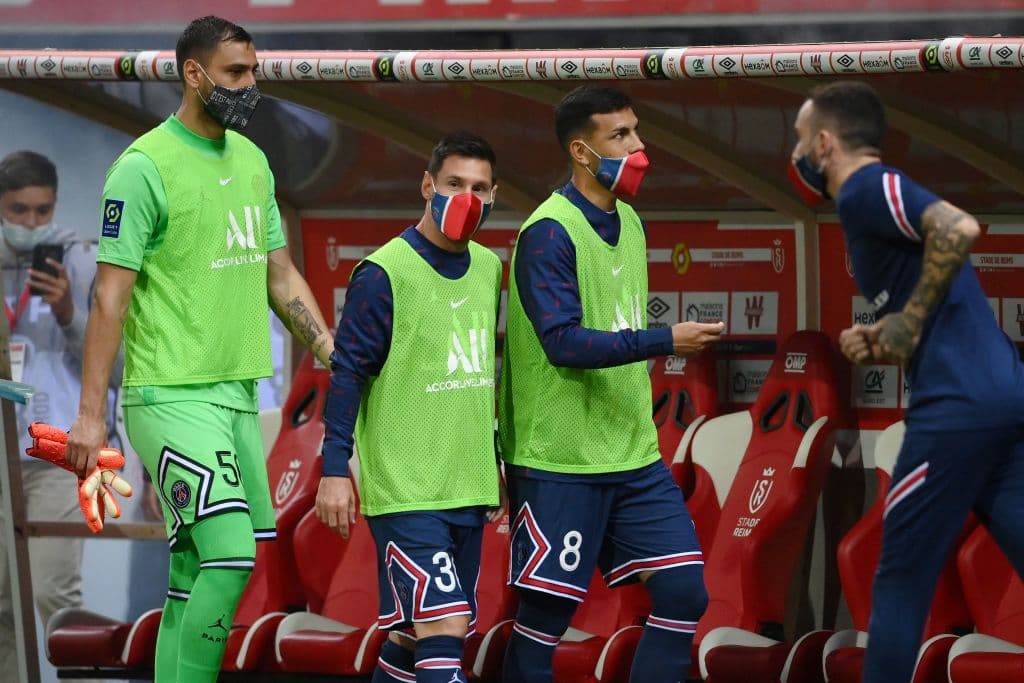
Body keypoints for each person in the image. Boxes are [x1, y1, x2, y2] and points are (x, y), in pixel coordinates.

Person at [64, 16, 334, 682]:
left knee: (194, 566)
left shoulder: (252, 162)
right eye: (235, 74)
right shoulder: (143, 168)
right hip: (170, 394)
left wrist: (330, 346)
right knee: (230, 553)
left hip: (238, 395)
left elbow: (279, 275)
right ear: (194, 74)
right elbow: (108, 299)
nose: (249, 87)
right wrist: (90, 415)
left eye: (253, 72)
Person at [789, 80, 1024, 683]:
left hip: (954, 406)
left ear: (823, 143)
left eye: (798, 140)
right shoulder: (865, 208)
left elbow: (957, 227)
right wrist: (884, 333)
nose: (794, 155)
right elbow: (933, 294)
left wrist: (909, 321)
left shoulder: (867, 185)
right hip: (1001, 395)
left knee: (896, 576)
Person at [498, 85, 723, 683]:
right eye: (620, 136)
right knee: (546, 616)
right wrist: (664, 341)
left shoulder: (630, 219)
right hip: (560, 460)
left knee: (683, 593)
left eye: (636, 130)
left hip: (633, 453)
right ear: (581, 150)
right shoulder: (547, 232)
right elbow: (563, 342)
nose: (639, 147)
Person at [316, 131, 504, 683]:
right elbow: (348, 375)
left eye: (479, 188)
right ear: (427, 185)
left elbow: (480, 377)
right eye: (453, 184)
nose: (466, 197)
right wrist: (334, 471)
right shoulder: (383, 273)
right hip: (406, 489)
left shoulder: (491, 268)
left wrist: (498, 461)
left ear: (493, 196)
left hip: (468, 484)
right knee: (445, 624)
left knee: (412, 632)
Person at [0, 150, 110, 673]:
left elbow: (114, 364)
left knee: (53, 596)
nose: (30, 223)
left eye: (42, 211)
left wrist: (69, 311)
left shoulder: (81, 260)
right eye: (18, 210)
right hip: (1, 458)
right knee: (1, 606)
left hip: (56, 452)